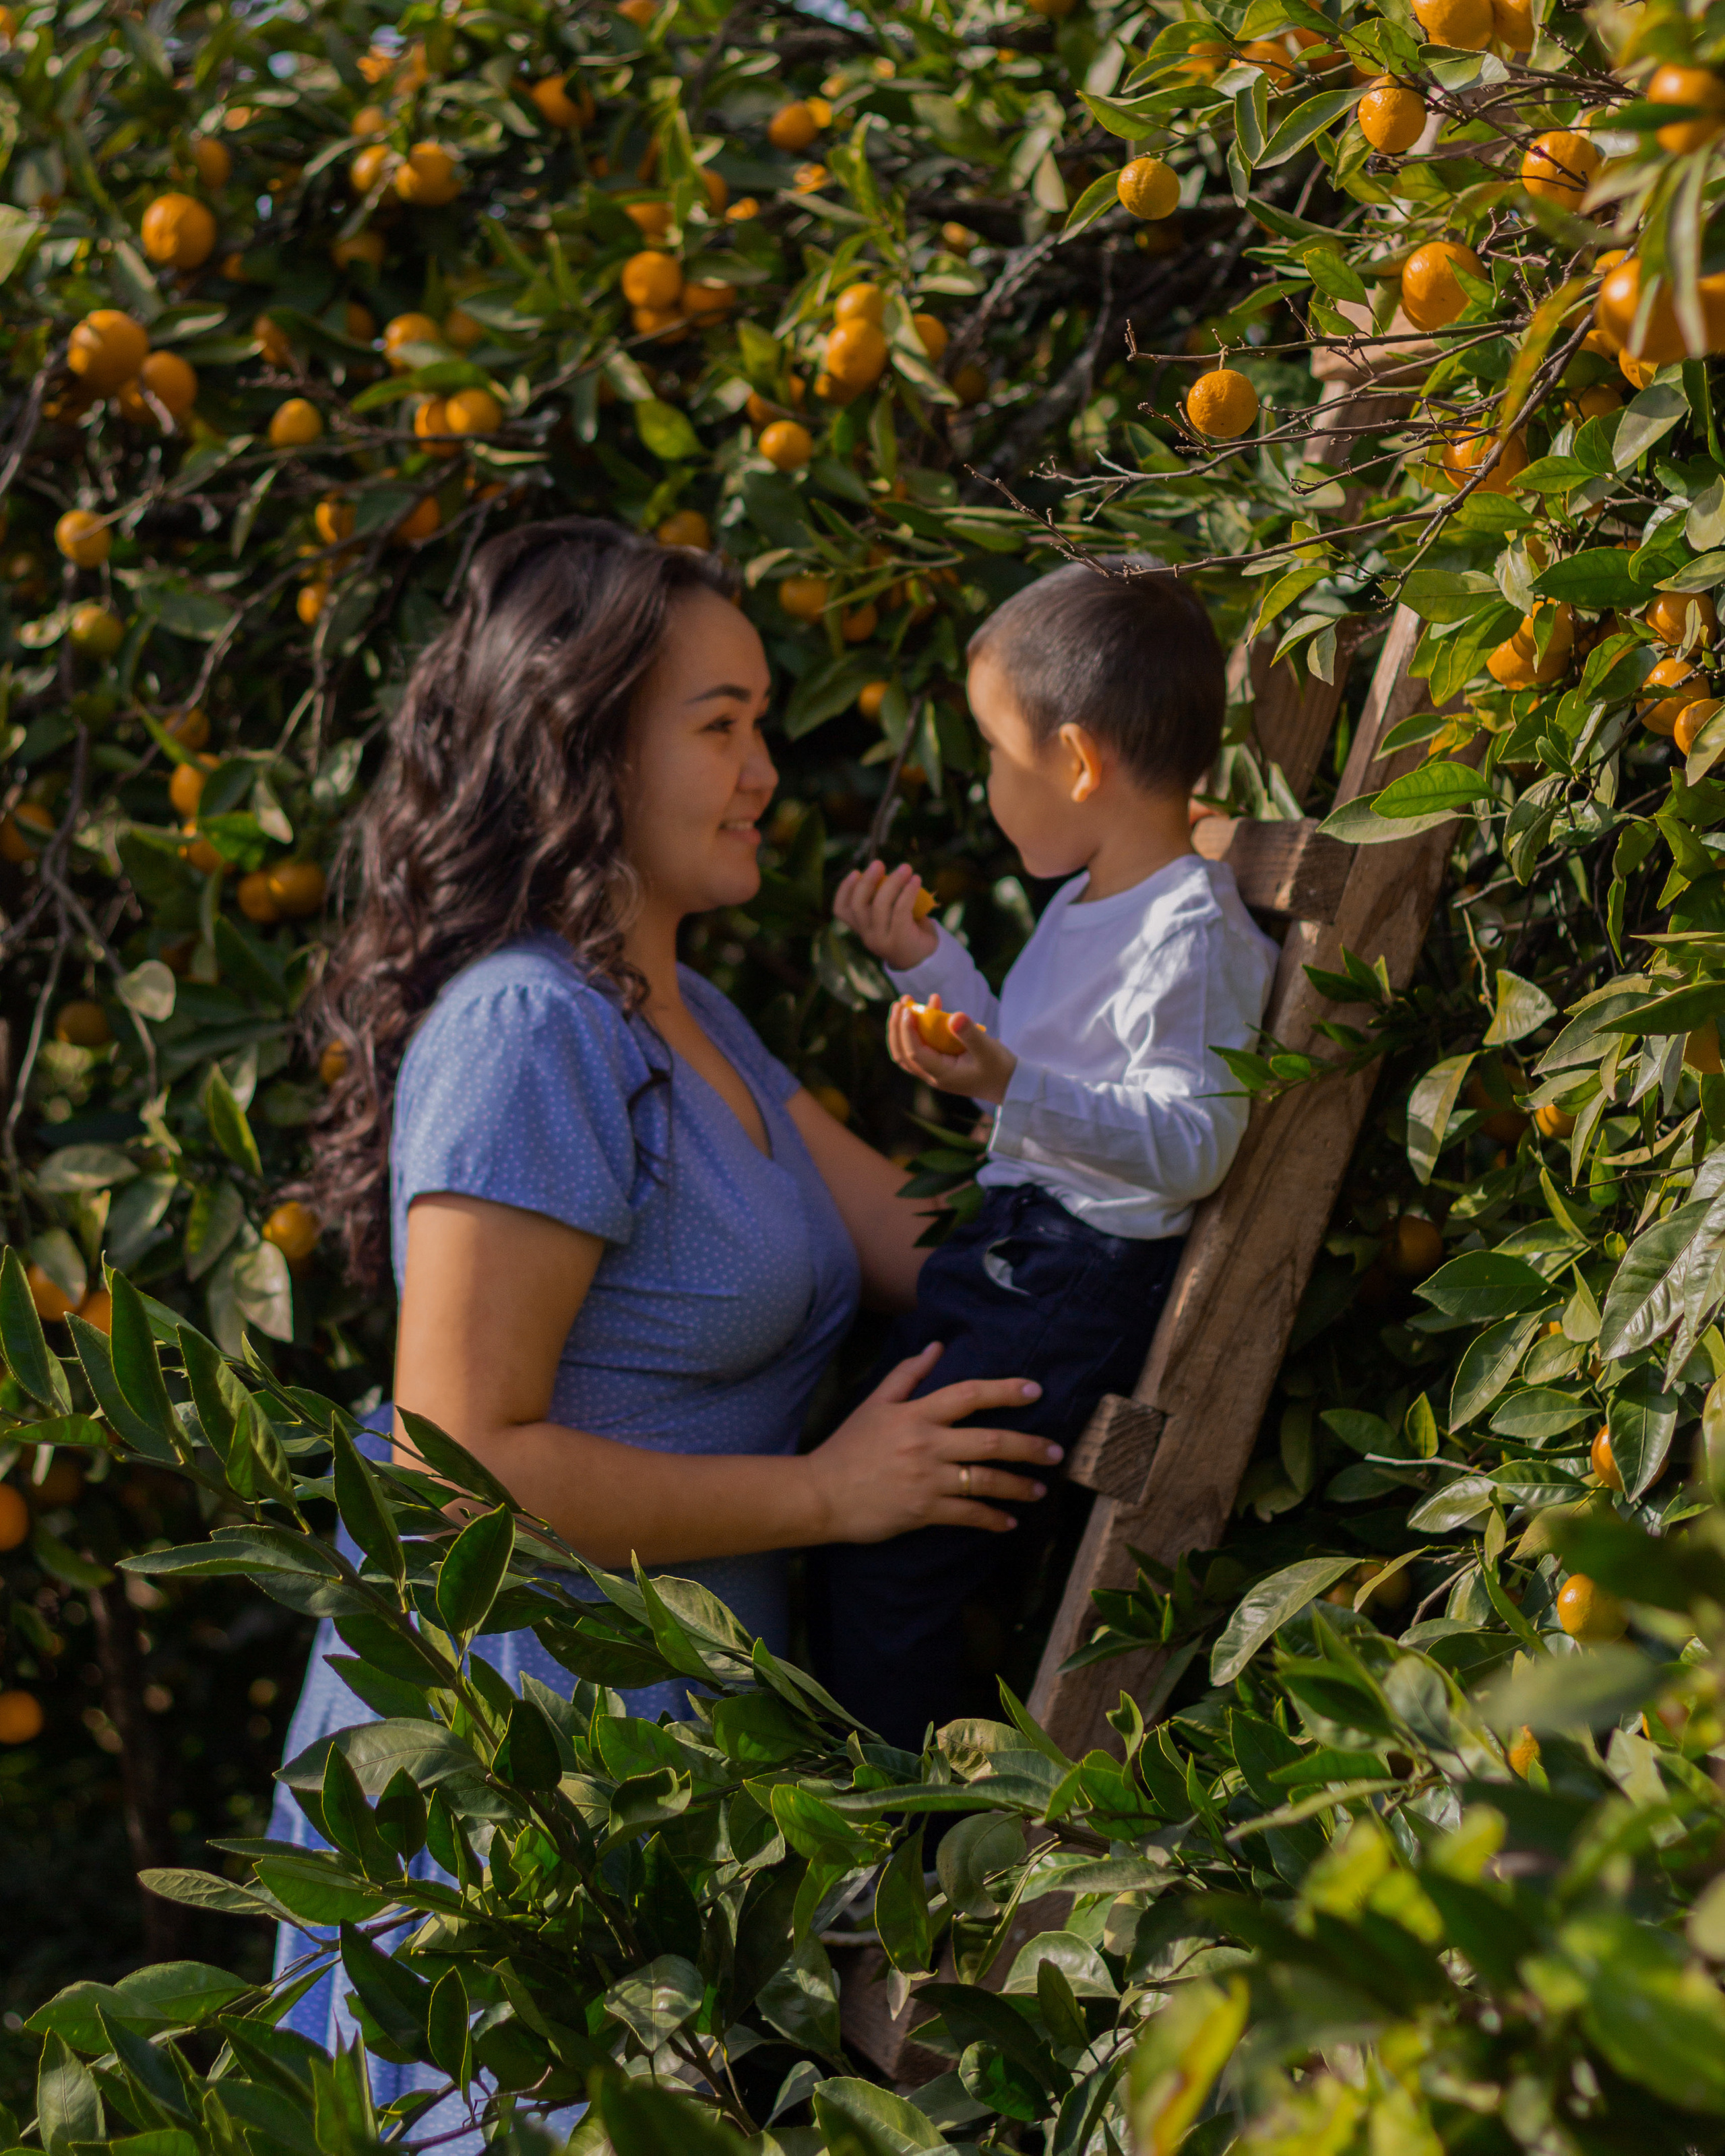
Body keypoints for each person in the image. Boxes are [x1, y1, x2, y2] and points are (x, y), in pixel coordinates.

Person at [264, 517, 1061, 2089]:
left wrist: (1134, 1071)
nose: (764, 767)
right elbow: (450, 1467)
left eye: (759, 722)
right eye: (719, 727)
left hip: (699, 1771)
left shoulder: (687, 1013)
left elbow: (929, 1241)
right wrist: (827, 1495)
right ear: (583, 744)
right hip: (536, 1778)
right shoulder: (528, 1031)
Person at [817, 561, 1280, 1748]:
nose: (984, 786)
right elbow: (1018, 1066)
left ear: (1077, 762)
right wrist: (927, 967)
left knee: (895, 1568)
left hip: (1069, 1285)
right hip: (1012, 1259)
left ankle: (900, 1832)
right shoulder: (1088, 904)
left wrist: (1011, 1088)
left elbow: (1192, 1145)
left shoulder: (1191, 931)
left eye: (992, 751)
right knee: (849, 1480)